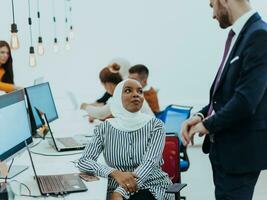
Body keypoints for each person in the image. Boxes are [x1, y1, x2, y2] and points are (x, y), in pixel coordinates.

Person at [181, 0, 267, 200]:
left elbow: (246, 100)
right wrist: (201, 115)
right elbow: (225, 95)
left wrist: (207, 125)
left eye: (212, 5)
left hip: (239, 153)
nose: (213, 14)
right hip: (226, 151)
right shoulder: (243, 35)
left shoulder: (259, 35)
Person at [78, 79, 174, 200]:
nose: (136, 94)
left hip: (151, 185)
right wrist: (114, 172)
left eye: (140, 91)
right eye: (128, 90)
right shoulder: (104, 127)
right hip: (114, 185)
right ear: (118, 97)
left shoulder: (156, 125)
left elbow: (148, 164)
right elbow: (84, 161)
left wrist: (121, 192)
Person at [80, 64, 153, 121]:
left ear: (107, 84)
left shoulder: (124, 93)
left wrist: (84, 106)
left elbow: (101, 113)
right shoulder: (130, 92)